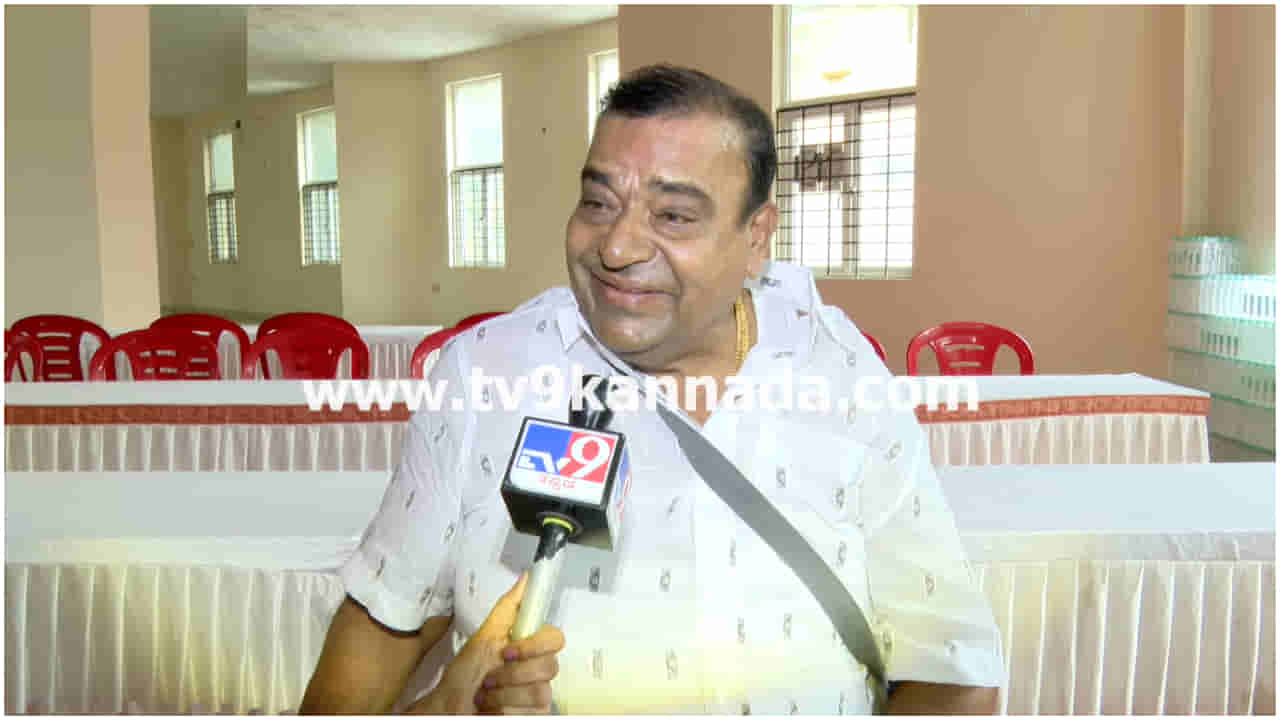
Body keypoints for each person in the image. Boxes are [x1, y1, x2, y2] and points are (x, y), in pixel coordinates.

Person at [300, 64, 1003, 715]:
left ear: (757, 237)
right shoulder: (483, 372)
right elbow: (385, 615)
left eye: (673, 216)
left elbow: (953, 669)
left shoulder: (841, 376)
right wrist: (446, 708)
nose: (616, 247)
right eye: (597, 202)